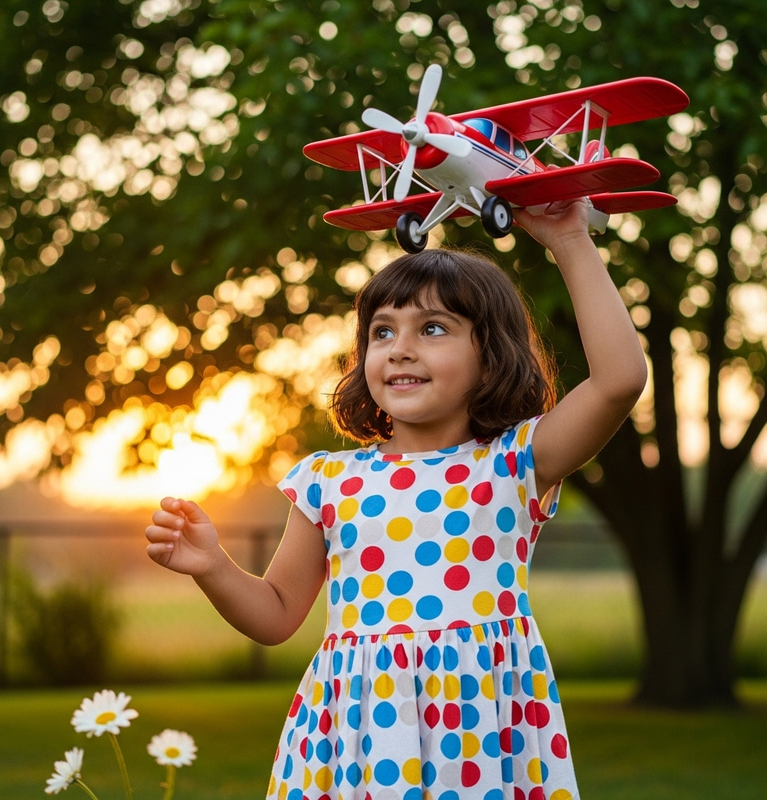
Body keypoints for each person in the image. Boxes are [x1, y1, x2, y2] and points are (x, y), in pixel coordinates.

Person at [145, 197, 648, 800]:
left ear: (490, 359)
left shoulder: (514, 463)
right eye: (382, 331)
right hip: (355, 738)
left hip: (479, 733)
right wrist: (213, 566)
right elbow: (276, 614)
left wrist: (569, 240)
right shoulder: (328, 479)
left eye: (433, 329)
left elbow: (619, 382)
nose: (400, 348)